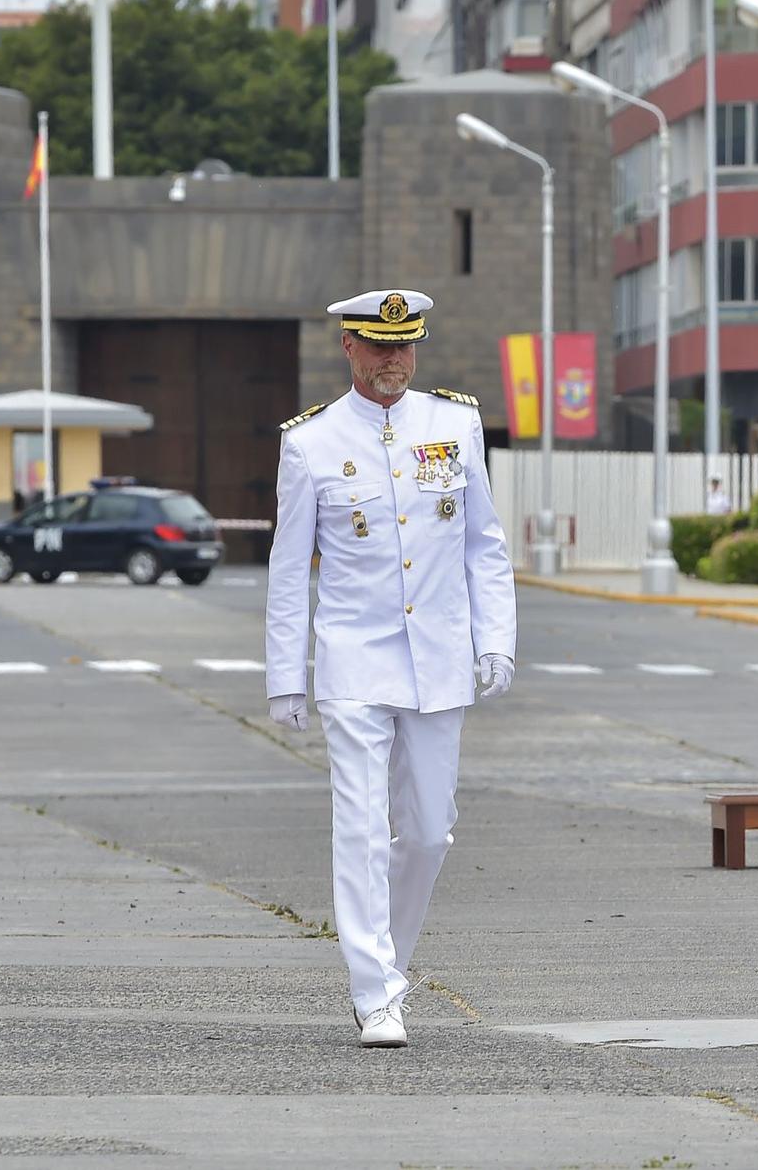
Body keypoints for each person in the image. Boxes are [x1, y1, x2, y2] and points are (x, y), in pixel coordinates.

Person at [265, 288, 517, 1049]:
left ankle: (389, 966)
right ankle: (374, 992)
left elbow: (484, 543)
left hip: (438, 656)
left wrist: (495, 637)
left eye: (405, 346)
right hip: (354, 658)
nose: (393, 362)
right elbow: (287, 569)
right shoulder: (310, 441)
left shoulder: (455, 423)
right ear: (349, 347)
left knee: (431, 831)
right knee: (362, 825)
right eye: (379, 347)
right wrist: (287, 675)